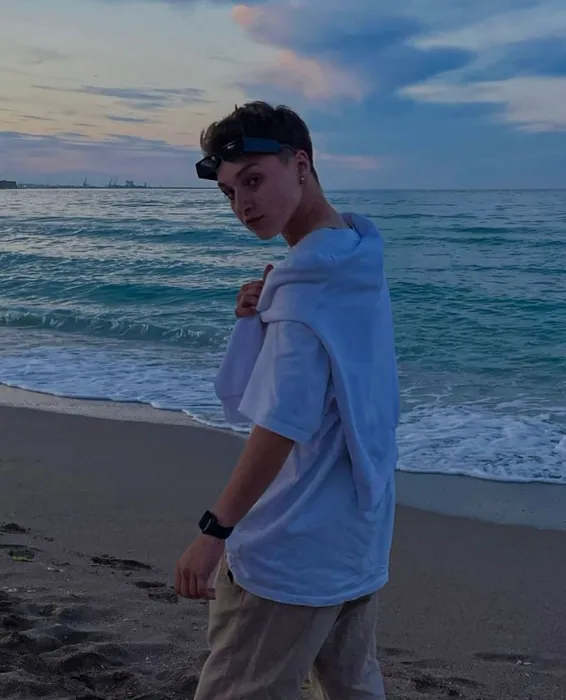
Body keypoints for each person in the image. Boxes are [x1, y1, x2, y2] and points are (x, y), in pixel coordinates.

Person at [174, 101, 400, 700]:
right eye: (229, 192)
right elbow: (340, 385)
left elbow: (279, 428)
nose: (242, 205)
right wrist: (262, 316)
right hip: (358, 531)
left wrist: (214, 531)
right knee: (352, 685)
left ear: (300, 164)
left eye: (253, 180)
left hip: (292, 546)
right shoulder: (355, 255)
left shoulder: (302, 294)